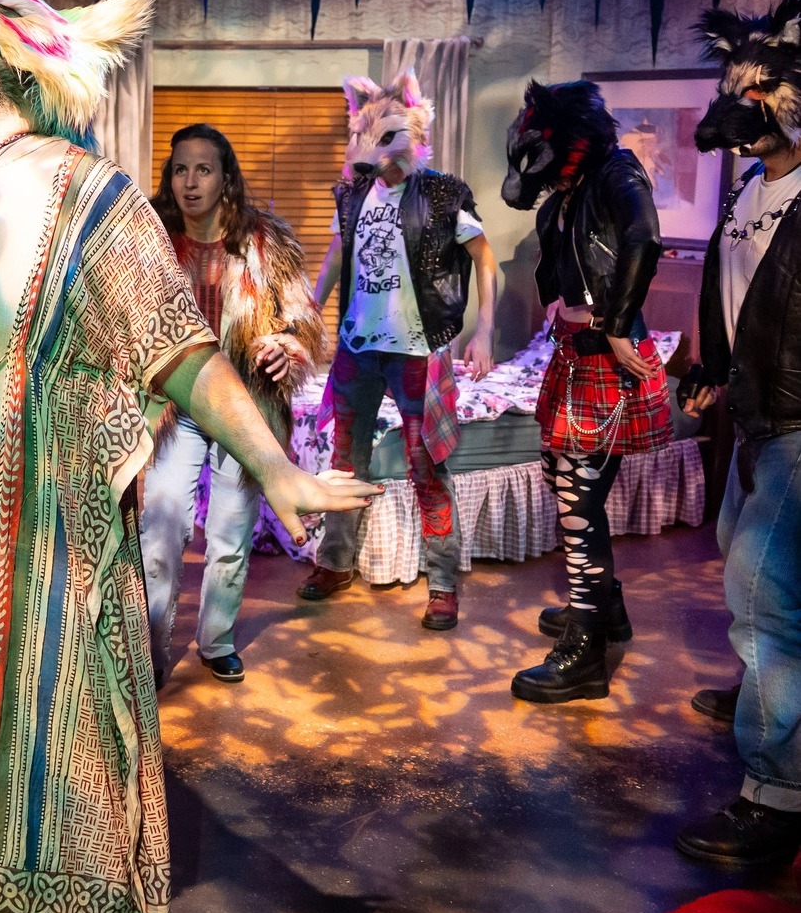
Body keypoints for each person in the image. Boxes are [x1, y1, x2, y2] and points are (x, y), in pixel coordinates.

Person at [0, 0, 378, 913]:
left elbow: (174, 346)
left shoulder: (85, 194)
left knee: (44, 760)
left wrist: (272, 463)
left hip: (22, 554)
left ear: (39, 58)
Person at [295, 69, 497, 631]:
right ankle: (335, 563)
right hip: (358, 348)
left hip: (417, 350)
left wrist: (484, 331)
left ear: (417, 130)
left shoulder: (443, 194)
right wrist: (309, 313)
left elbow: (485, 258)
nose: (373, 150)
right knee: (343, 463)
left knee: (427, 466)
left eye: (388, 136)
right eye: (363, 135)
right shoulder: (352, 194)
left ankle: (443, 584)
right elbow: (338, 254)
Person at [675, 0, 801, 866]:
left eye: (762, 91)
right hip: (755, 412)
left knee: (761, 591)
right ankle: (770, 686)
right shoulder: (750, 189)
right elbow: (739, 293)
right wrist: (709, 369)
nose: (744, 107)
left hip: (797, 417)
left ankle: (776, 796)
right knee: (745, 562)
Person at [501, 79, 672, 703]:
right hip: (575, 353)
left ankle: (587, 654)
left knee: (579, 503)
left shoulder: (616, 173)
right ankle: (602, 606)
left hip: (605, 353)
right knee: (564, 481)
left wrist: (619, 322)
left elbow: (644, 238)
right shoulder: (572, 191)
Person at [140, 124, 326, 685]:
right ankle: (149, 650)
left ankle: (216, 640)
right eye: (180, 169)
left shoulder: (265, 241)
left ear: (226, 178)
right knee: (162, 524)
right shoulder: (150, 237)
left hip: (246, 403)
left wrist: (286, 347)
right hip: (175, 405)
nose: (190, 182)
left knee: (230, 533)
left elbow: (302, 322)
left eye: (203, 169)